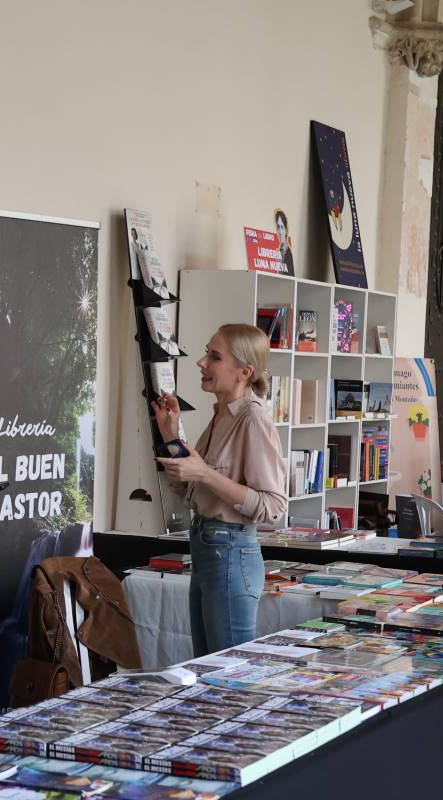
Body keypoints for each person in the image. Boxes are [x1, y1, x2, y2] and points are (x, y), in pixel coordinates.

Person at [152, 324, 290, 655]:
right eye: (206, 353)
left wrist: (206, 474)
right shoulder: (221, 416)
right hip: (207, 548)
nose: (201, 363)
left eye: (214, 357)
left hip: (230, 551)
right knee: (206, 669)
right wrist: (172, 438)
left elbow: (273, 505)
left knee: (226, 676)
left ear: (245, 371)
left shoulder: (252, 420)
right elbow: (192, 484)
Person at [273, 208, 296, 275]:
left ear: (286, 230)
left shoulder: (287, 253)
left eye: (282, 227)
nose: (280, 232)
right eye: (278, 227)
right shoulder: (281, 250)